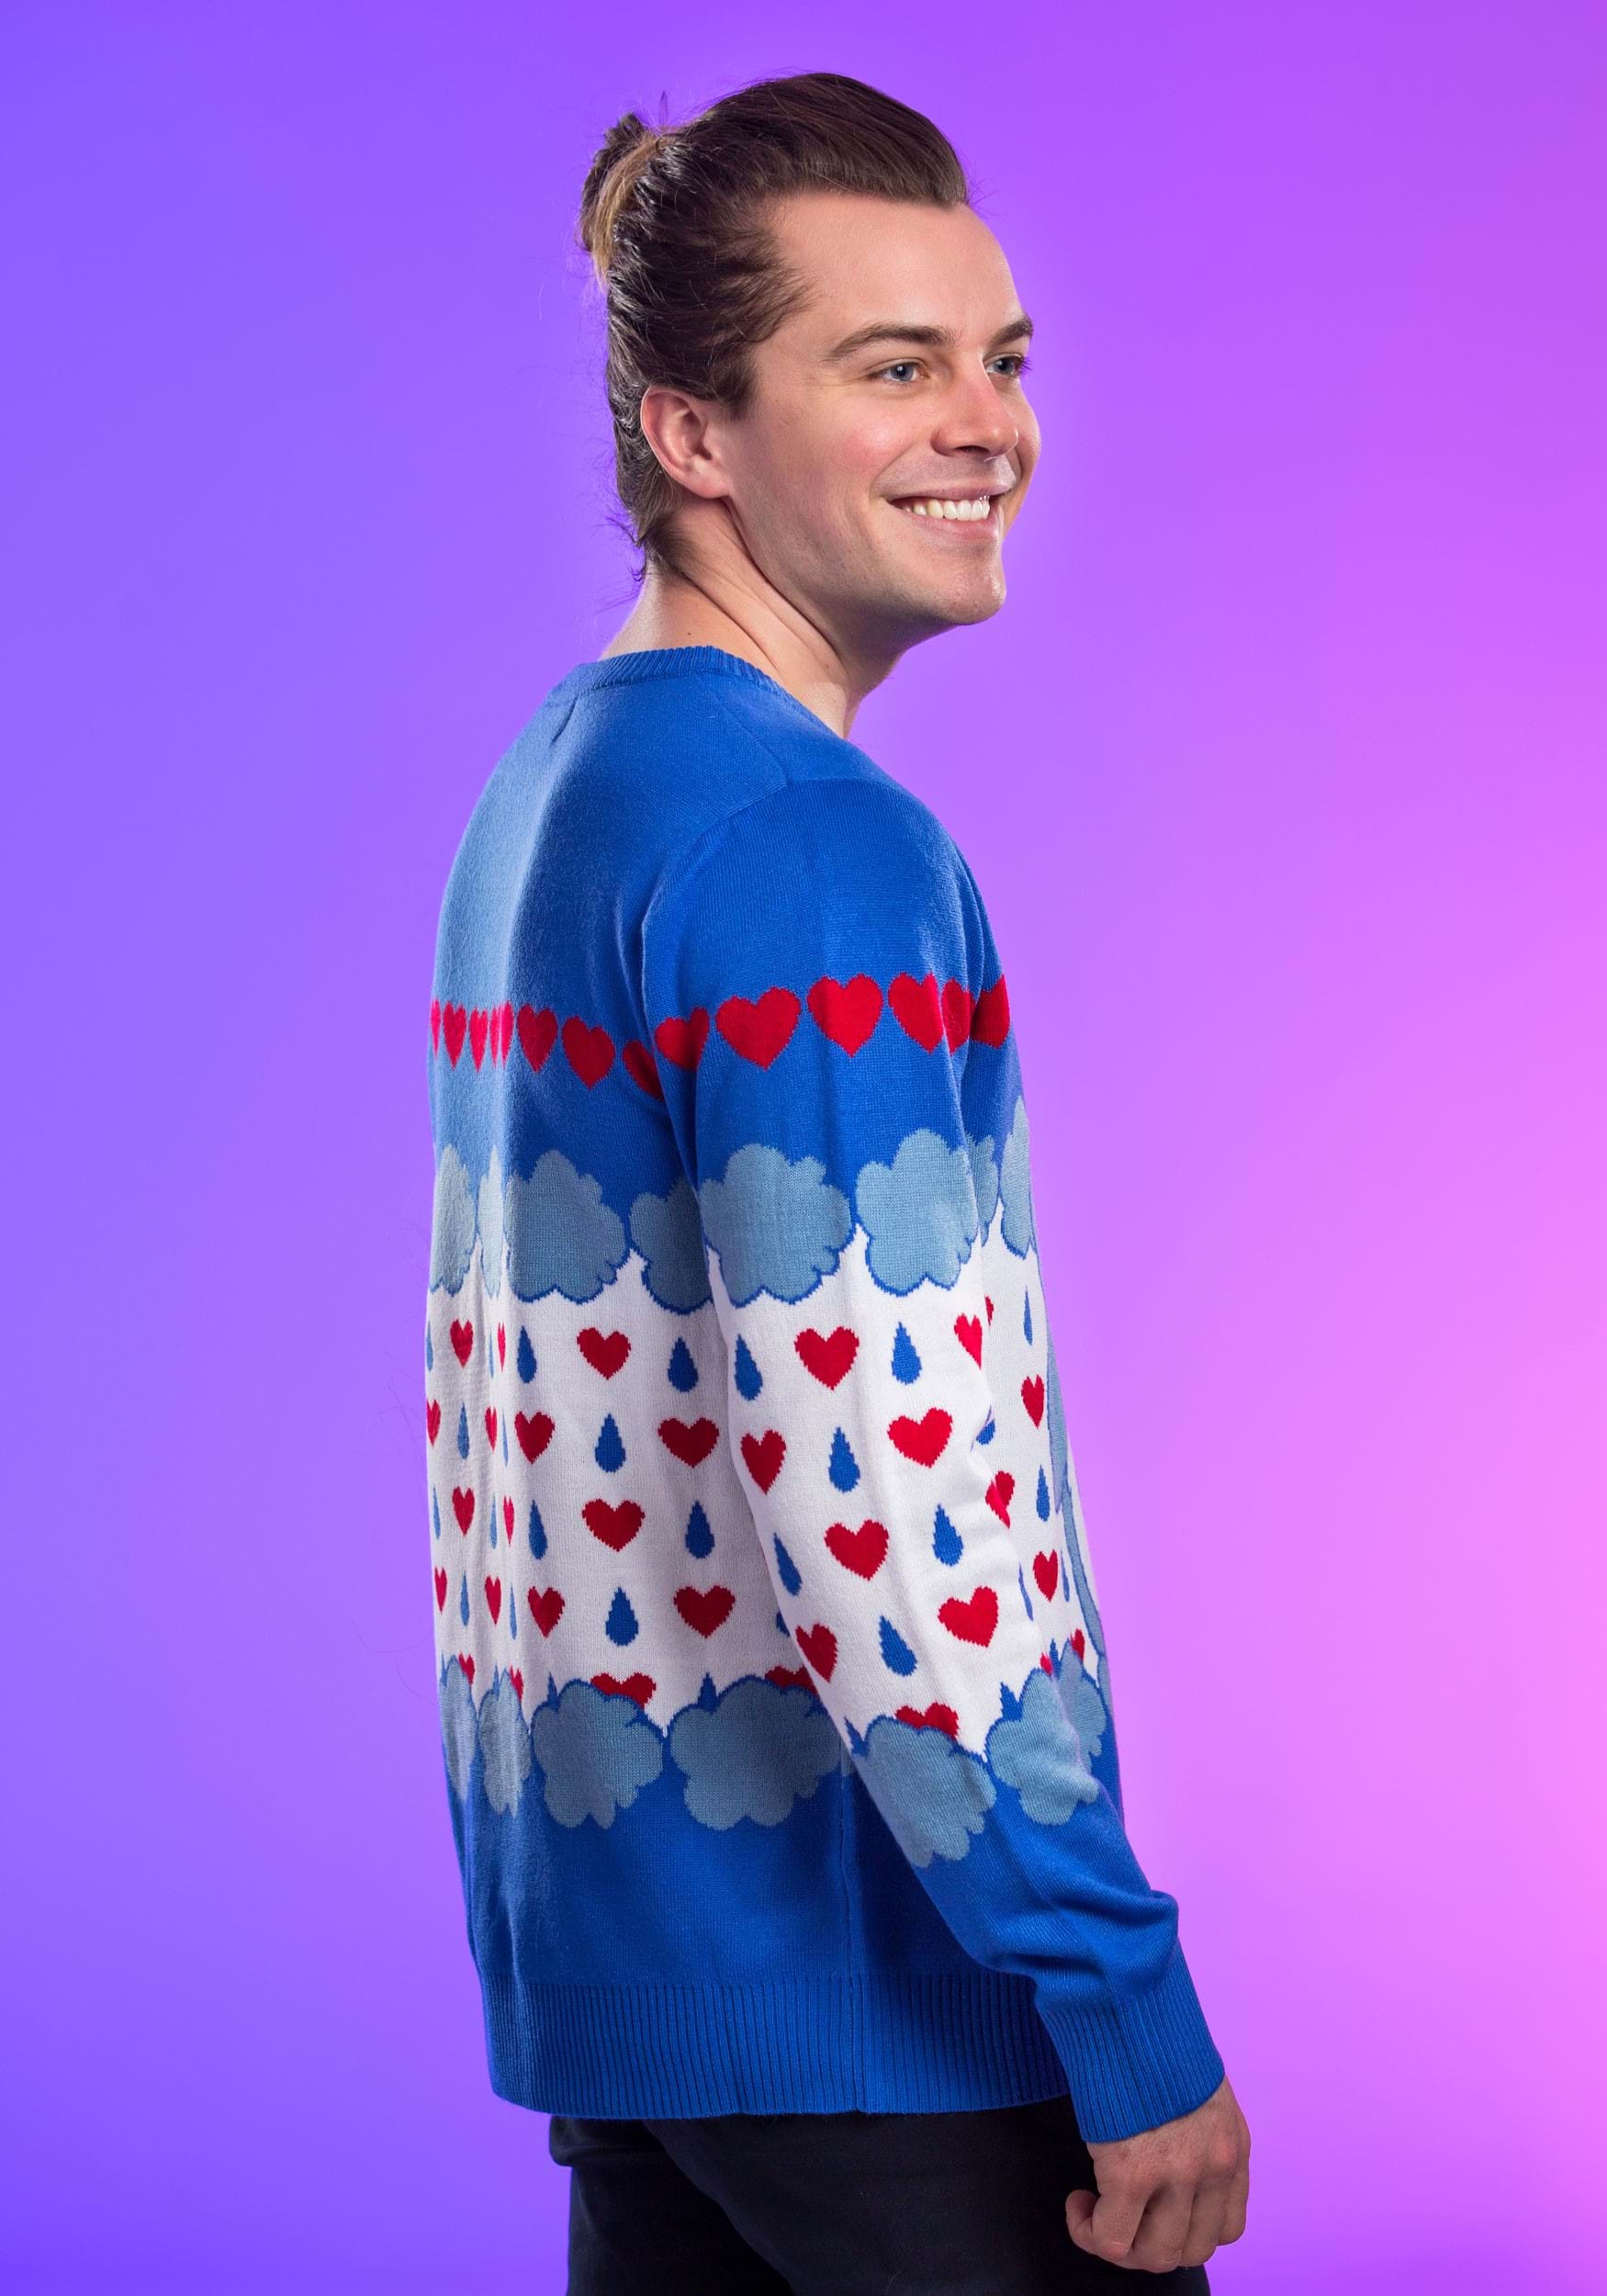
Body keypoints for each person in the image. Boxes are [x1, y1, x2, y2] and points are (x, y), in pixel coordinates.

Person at [422, 69, 1252, 2292]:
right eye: (891, 368)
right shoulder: (804, 843)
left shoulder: (555, 788)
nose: (988, 427)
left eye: (999, 357)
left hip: (641, 2001)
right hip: (884, 2018)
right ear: (692, 432)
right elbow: (892, 1488)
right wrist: (1117, 1993)